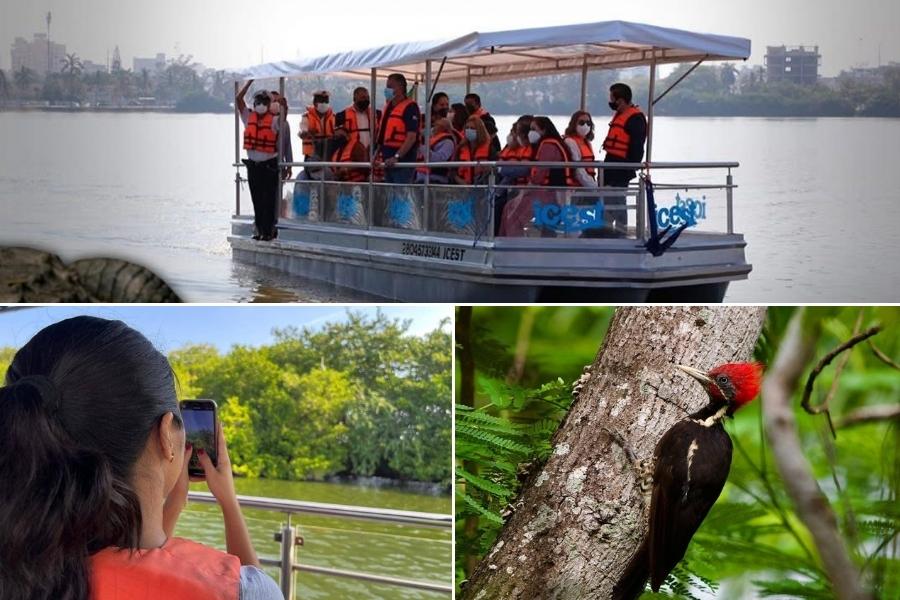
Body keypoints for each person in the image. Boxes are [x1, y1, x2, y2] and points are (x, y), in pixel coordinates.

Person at [0, 316, 282, 600]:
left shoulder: (21, 569)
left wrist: (172, 504)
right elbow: (147, 566)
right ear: (166, 436)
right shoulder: (240, 590)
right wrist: (229, 503)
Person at [236, 81, 293, 241]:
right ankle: (260, 230)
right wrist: (248, 83)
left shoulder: (274, 121)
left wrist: (283, 103)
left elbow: (284, 115)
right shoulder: (248, 117)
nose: (261, 105)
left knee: (269, 199)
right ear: (254, 104)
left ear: (269, 105)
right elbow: (239, 99)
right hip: (254, 166)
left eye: (264, 102)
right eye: (258, 102)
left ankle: (268, 232)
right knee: (257, 199)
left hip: (269, 165)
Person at [500, 116, 568, 237]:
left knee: (513, 214)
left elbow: (538, 176)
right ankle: (506, 240)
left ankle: (514, 246)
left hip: (549, 194)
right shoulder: (544, 145)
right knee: (509, 207)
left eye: (534, 129)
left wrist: (525, 191)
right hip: (543, 192)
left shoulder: (548, 146)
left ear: (544, 130)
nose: (531, 133)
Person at [598, 82, 647, 237]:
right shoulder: (620, 114)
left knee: (618, 201)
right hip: (610, 165)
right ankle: (605, 231)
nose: (610, 101)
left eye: (611, 98)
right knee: (607, 201)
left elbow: (637, 146)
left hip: (621, 167)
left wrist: (630, 168)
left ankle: (620, 233)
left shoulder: (635, 118)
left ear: (619, 100)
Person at [375, 73, 420, 184]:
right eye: (387, 87)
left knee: (401, 194)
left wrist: (397, 157)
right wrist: (375, 155)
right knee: (390, 194)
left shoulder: (410, 107)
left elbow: (411, 137)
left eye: (390, 87)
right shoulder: (388, 107)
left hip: (403, 161)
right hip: (387, 159)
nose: (387, 90)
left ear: (400, 88)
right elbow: (382, 135)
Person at [494, 116, 534, 235]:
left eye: (515, 132)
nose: (512, 135)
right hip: (509, 188)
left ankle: (501, 237)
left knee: (502, 208)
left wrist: (501, 169)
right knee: (496, 205)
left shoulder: (529, 149)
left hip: (524, 190)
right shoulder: (509, 149)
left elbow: (523, 170)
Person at [451, 115, 495, 185]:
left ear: (479, 130)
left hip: (482, 186)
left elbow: (494, 168)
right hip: (462, 187)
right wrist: (460, 181)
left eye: (472, 128)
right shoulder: (461, 148)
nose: (469, 130)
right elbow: (452, 171)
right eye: (467, 128)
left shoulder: (489, 148)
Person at [335, 87, 380, 154]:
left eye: (368, 98)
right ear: (355, 99)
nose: (366, 100)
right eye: (363, 97)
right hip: (352, 154)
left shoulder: (376, 114)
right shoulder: (343, 115)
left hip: (372, 154)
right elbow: (332, 130)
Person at [415, 118, 457, 184]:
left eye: (436, 125)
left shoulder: (448, 142)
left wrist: (423, 148)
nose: (433, 127)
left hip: (436, 180)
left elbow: (439, 159)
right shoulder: (430, 139)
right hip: (421, 178)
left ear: (444, 128)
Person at [299, 90, 335, 161]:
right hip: (311, 155)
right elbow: (302, 132)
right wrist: (307, 133)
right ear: (314, 103)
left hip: (330, 154)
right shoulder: (306, 117)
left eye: (326, 101)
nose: (324, 103)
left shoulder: (334, 117)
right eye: (321, 101)